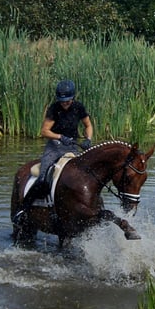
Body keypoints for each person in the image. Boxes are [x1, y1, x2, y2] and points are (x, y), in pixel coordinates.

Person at [14, 80, 93, 220]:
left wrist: (88, 139)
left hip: (72, 147)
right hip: (54, 147)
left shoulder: (79, 108)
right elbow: (44, 131)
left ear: (73, 98)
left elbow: (88, 125)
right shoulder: (54, 109)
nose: (64, 103)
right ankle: (23, 209)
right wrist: (60, 137)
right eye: (62, 101)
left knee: (85, 177)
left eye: (67, 101)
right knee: (44, 177)